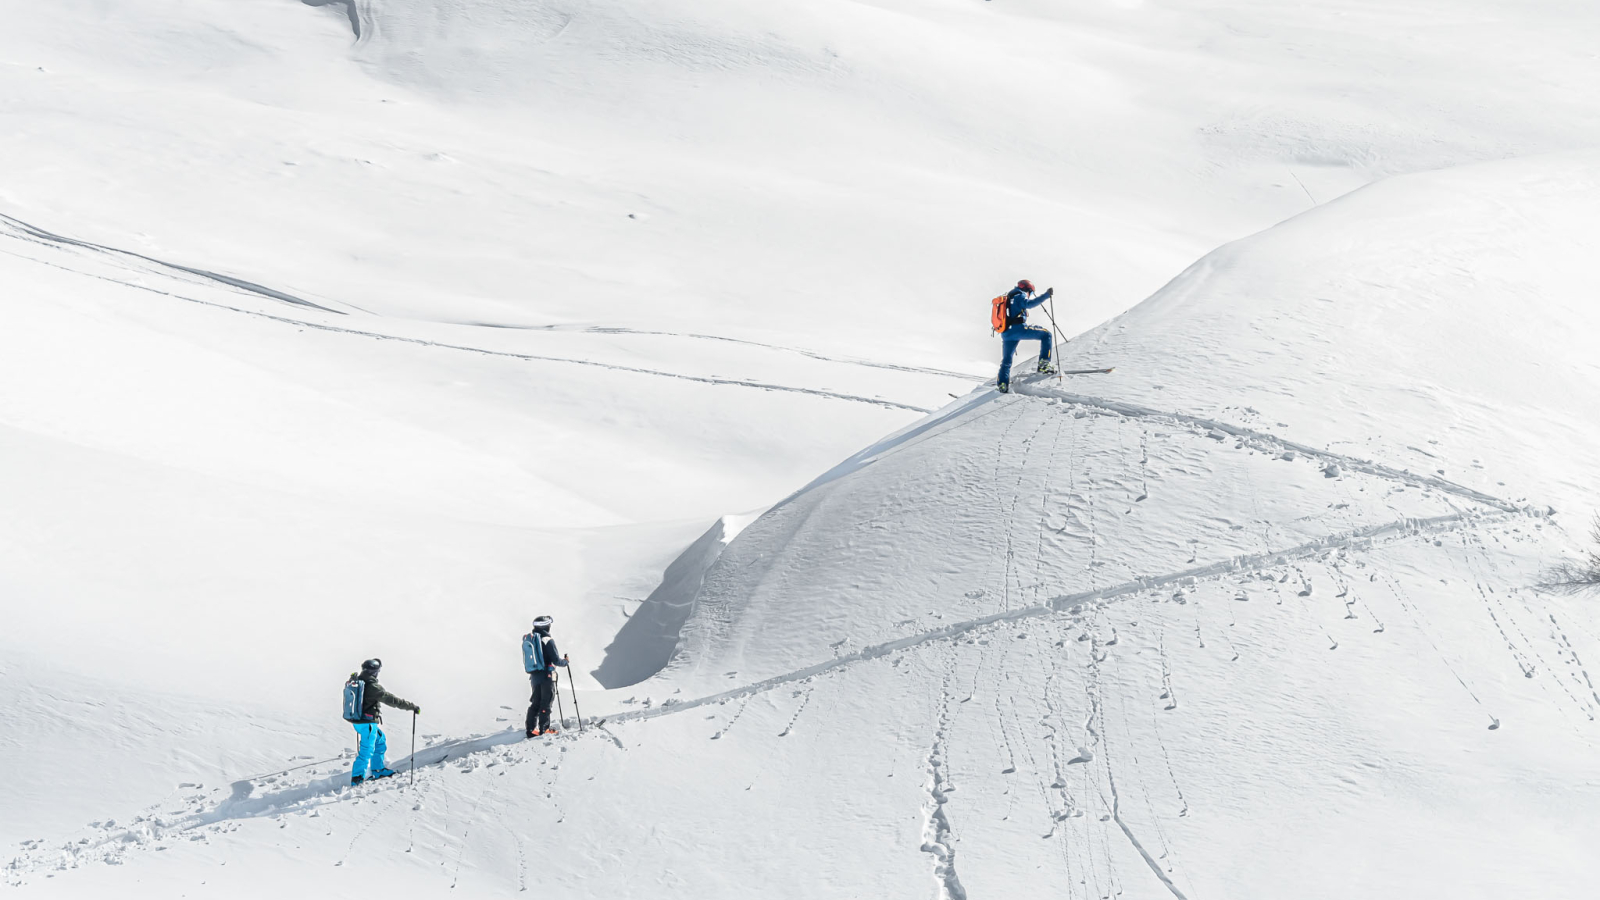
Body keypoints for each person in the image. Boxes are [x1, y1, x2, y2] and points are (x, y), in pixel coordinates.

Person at [348, 658, 420, 785]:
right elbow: (392, 700)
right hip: (367, 723)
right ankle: (356, 780)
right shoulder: (373, 687)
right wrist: (412, 706)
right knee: (366, 751)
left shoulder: (358, 681)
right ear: (374, 672)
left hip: (358, 722)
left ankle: (378, 769)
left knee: (380, 741)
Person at [996, 279, 1056, 392]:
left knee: (1006, 360)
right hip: (1018, 329)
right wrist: (1046, 295)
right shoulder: (1020, 295)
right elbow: (1029, 304)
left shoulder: (1009, 297)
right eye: (1031, 292)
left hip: (1006, 333)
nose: (1030, 295)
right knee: (1046, 335)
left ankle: (1002, 384)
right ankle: (1044, 365)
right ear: (1028, 289)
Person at [523, 616, 569, 737]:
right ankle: (545, 728)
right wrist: (565, 661)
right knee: (546, 702)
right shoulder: (547, 639)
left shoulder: (532, 638)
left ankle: (531, 729)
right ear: (546, 626)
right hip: (547, 675)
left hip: (534, 675)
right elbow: (556, 660)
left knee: (535, 703)